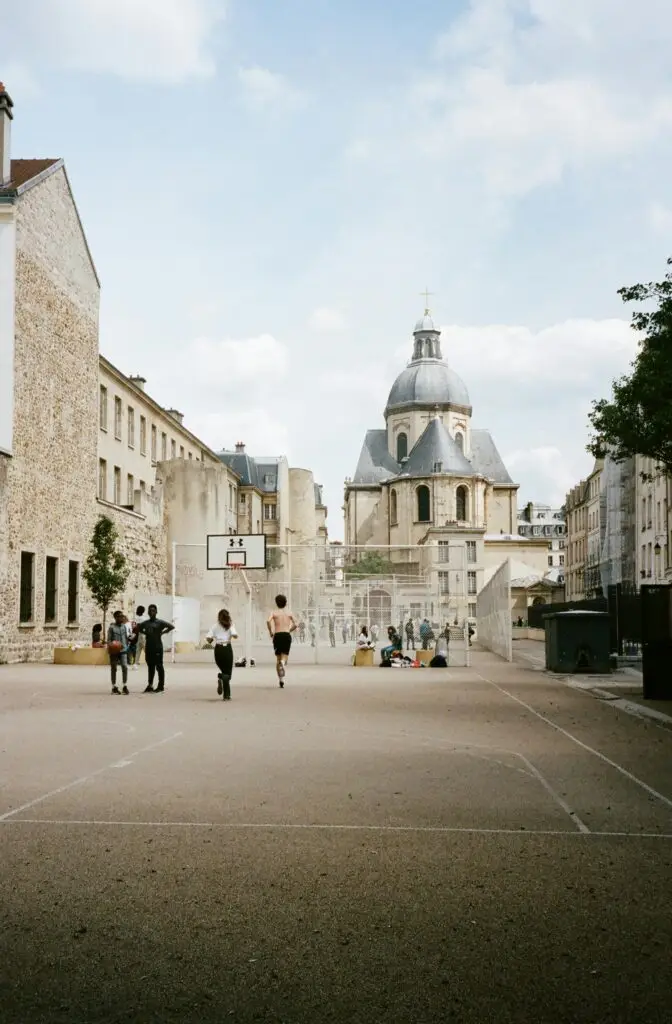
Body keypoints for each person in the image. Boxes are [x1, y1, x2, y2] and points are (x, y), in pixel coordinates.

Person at [137, 604, 174, 693]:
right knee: (150, 666)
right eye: (150, 611)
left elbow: (171, 626)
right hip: (149, 647)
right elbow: (139, 628)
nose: (151, 612)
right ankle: (150, 685)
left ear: (156, 612)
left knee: (159, 666)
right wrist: (145, 633)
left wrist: (163, 632)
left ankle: (161, 686)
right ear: (148, 612)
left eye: (153, 610)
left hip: (157, 647)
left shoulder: (160, 622)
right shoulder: (145, 623)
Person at [205, 608, 238, 700]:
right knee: (228, 674)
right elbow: (235, 635)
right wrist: (231, 634)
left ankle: (223, 683)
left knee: (224, 672)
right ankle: (226, 693)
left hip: (218, 649)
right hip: (227, 648)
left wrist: (212, 639)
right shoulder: (230, 625)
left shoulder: (215, 626)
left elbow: (208, 638)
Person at [267, 594, 297, 688]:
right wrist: (289, 630)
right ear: (286, 603)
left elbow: (268, 621)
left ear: (276, 603)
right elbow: (296, 624)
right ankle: (283, 663)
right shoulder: (289, 613)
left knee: (278, 658)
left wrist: (270, 632)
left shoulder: (274, 612)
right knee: (285, 656)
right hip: (286, 635)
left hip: (277, 635)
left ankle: (281, 680)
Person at [107, 610, 130, 695]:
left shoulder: (124, 626)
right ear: (115, 617)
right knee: (114, 668)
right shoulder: (111, 628)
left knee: (125, 667)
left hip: (123, 650)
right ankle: (114, 687)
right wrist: (113, 645)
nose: (122, 618)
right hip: (114, 651)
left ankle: (125, 686)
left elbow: (126, 638)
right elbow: (108, 640)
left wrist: (126, 646)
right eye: (120, 616)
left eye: (122, 616)